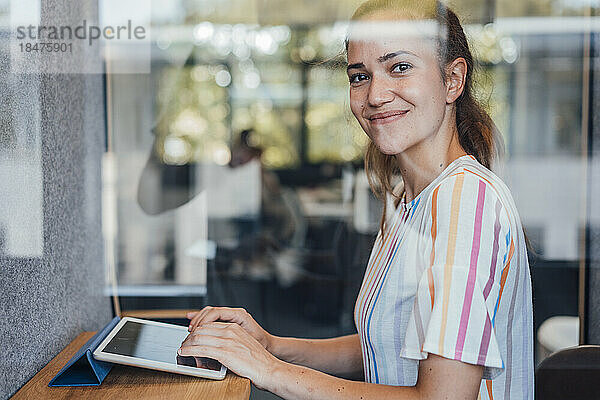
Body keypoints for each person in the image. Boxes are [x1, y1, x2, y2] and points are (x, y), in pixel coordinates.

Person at [178, 1, 534, 398]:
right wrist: (271, 346)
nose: (375, 95)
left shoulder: (466, 202)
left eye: (399, 67)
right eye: (359, 76)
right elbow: (388, 347)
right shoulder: (407, 200)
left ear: (453, 79)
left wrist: (269, 370)